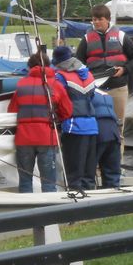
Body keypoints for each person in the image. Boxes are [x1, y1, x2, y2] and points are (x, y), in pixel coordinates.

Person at [8, 51, 73, 193]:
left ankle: (26, 206)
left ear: (29, 66)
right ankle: (49, 207)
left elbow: (11, 111)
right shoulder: (55, 84)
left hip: (23, 138)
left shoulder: (21, 85)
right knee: (49, 182)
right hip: (47, 137)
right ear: (48, 65)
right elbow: (67, 111)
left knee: (25, 182)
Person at [75, 4, 133, 129]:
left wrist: (124, 69)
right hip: (96, 90)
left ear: (108, 19)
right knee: (97, 126)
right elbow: (78, 64)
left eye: (100, 19)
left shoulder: (121, 36)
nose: (96, 22)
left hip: (118, 88)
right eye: (94, 19)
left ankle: (119, 143)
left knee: (118, 126)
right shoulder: (86, 39)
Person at [52, 45, 99, 192]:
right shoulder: (89, 75)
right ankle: (90, 195)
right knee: (89, 170)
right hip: (92, 125)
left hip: (74, 125)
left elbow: (56, 100)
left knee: (74, 170)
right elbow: (92, 96)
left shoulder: (61, 77)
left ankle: (75, 197)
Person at [90, 89, 122, 188]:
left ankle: (88, 191)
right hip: (114, 132)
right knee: (112, 172)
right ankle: (113, 190)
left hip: (98, 130)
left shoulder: (85, 92)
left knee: (88, 170)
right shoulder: (105, 94)